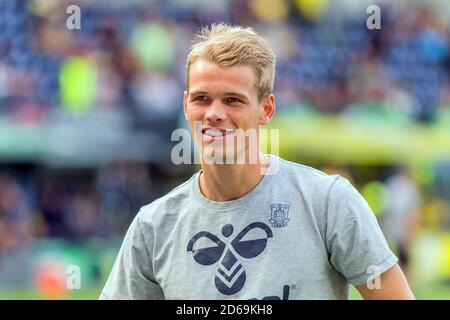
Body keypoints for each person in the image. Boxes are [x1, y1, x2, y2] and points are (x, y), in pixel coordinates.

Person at [100, 23, 414, 300]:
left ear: (266, 109)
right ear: (186, 105)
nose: (214, 113)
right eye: (202, 98)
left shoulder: (327, 203)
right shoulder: (153, 226)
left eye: (233, 100)